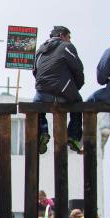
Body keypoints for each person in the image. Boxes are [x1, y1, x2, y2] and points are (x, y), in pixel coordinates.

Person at [33, 25, 85, 154]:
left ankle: (42, 132)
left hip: (42, 92)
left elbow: (35, 71)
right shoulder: (67, 47)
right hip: (63, 91)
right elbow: (78, 69)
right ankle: (74, 137)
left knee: (36, 106)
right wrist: (77, 86)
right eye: (69, 37)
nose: (70, 40)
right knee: (78, 104)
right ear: (62, 35)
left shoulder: (40, 49)